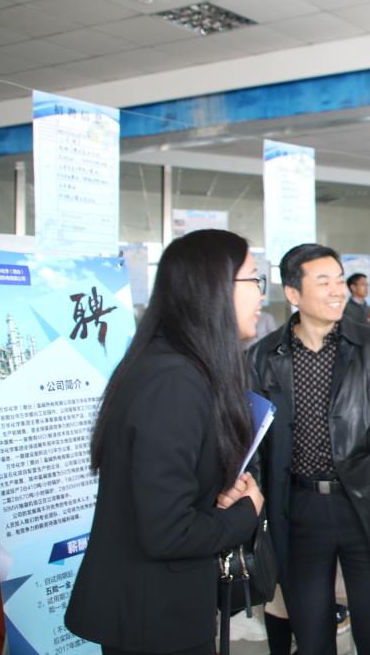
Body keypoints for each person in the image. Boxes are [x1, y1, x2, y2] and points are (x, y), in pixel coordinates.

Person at [65, 229, 265, 655]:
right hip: (153, 618)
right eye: (253, 279)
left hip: (157, 610)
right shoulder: (175, 381)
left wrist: (217, 497)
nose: (261, 295)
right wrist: (245, 513)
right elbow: (167, 533)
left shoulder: (170, 365)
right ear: (214, 287)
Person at [247, 244, 370, 655]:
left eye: (339, 280)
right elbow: (255, 447)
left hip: (367, 507)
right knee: (312, 638)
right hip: (298, 510)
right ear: (293, 293)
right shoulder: (262, 357)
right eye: (324, 282)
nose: (337, 290)